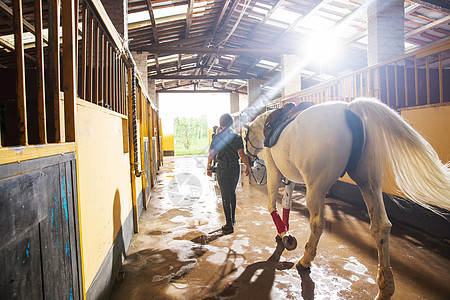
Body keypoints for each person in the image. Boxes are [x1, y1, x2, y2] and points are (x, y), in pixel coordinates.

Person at [207, 113, 251, 234]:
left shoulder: (216, 138)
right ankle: (232, 219)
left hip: (222, 168)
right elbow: (242, 154)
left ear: (221, 124)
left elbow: (211, 154)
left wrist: (208, 168)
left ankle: (228, 224)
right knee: (232, 192)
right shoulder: (237, 137)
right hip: (234, 167)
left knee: (225, 196)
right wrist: (248, 166)